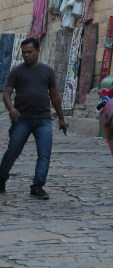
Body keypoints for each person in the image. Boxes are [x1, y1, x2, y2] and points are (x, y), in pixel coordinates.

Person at [0, 36, 67, 200]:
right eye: (24, 53)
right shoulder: (17, 71)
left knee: (44, 154)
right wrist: (11, 108)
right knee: (12, 152)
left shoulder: (47, 71)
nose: (26, 55)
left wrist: (61, 118)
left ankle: (37, 186)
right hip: (22, 119)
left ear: (38, 51)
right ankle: (1, 178)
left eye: (30, 52)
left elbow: (54, 95)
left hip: (43, 120)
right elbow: (7, 93)